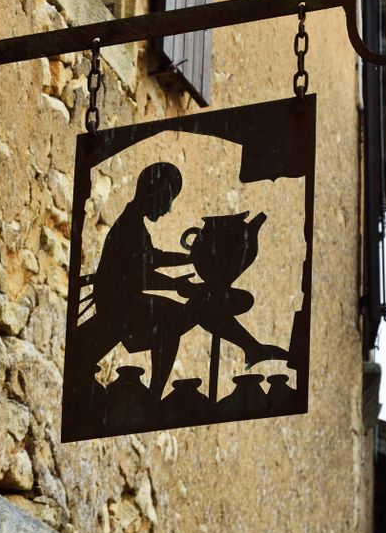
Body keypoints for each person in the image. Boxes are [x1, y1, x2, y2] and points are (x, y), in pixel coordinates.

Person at [89, 162, 286, 399]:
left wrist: (190, 258)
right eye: (168, 199)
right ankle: (155, 395)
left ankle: (251, 347)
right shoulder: (130, 226)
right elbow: (139, 276)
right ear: (156, 193)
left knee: (197, 304)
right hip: (119, 308)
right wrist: (176, 285)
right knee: (179, 316)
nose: (168, 209)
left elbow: (152, 258)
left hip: (126, 303)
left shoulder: (133, 222)